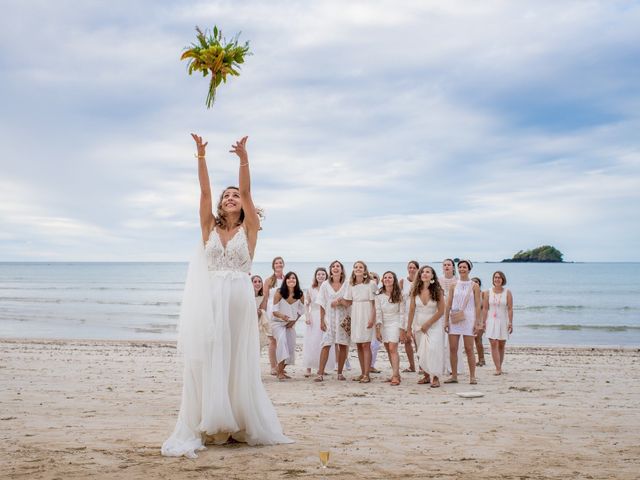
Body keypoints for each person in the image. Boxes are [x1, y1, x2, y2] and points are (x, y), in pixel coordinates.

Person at [161, 134, 291, 458]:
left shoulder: (250, 230)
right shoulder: (209, 228)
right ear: (221, 205)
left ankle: (237, 423)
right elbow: (204, 192)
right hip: (210, 301)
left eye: (235, 195)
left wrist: (243, 159)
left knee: (235, 358)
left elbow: (247, 191)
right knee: (212, 355)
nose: (232, 198)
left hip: (237, 301)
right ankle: (213, 423)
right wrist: (201, 157)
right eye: (227, 196)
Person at [444, 259, 482, 385]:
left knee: (469, 348)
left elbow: (478, 305)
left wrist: (478, 322)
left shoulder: (474, 286)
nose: (461, 269)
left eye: (464, 267)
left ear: (469, 269)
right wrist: (445, 321)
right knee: (453, 348)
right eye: (460, 267)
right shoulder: (454, 285)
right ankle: (454, 376)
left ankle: (472, 376)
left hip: (469, 319)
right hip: (454, 318)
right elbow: (448, 304)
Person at [407, 266, 445, 385]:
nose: (424, 274)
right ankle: (426, 375)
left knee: (434, 350)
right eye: (422, 272)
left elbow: (441, 311)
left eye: (428, 272)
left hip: (433, 325)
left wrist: (428, 324)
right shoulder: (415, 290)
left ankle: (436, 377)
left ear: (432, 276)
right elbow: (412, 310)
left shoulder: (438, 291)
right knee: (421, 351)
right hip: (418, 325)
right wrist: (408, 328)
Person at [314, 261, 351, 382]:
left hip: (343, 319)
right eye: (333, 266)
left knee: (343, 345)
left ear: (341, 270)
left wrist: (340, 302)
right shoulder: (325, 285)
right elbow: (322, 304)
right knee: (326, 345)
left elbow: (349, 302)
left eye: (338, 266)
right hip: (329, 319)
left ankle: (340, 373)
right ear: (330, 270)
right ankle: (320, 373)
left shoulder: (347, 284)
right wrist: (321, 321)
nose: (335, 268)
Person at [344, 261, 376, 383]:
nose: (358, 269)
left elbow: (374, 304)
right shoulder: (350, 284)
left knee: (366, 345)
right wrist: (337, 301)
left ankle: (367, 374)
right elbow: (348, 302)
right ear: (353, 270)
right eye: (356, 267)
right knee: (358, 344)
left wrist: (372, 319)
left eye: (360, 267)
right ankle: (363, 373)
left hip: (366, 313)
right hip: (356, 314)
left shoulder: (371, 284)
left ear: (364, 270)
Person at [272, 272, 304, 380]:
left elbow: (301, 310)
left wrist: (294, 321)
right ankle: (280, 373)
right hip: (278, 322)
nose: (291, 280)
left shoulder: (300, 294)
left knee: (290, 347)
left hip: (290, 324)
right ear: (285, 280)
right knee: (282, 342)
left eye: (293, 278)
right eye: (289, 278)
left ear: (296, 281)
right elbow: (274, 311)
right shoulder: (279, 292)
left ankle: (279, 369)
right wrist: (283, 317)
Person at [374, 271, 405, 385]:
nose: (387, 279)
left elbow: (402, 314)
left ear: (394, 280)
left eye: (390, 277)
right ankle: (395, 373)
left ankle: (396, 376)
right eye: (385, 277)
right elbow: (378, 313)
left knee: (393, 348)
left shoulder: (399, 294)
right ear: (382, 280)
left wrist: (402, 330)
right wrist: (378, 330)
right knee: (388, 349)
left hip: (395, 323)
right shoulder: (379, 295)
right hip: (383, 324)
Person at [483, 271, 513, 375]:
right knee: (493, 343)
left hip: (503, 320)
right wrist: (483, 322)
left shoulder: (507, 292)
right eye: (495, 277)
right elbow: (485, 308)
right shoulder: (488, 292)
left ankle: (499, 366)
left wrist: (510, 322)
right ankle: (498, 368)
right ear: (493, 279)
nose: (497, 279)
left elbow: (510, 309)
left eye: (499, 278)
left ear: (503, 279)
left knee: (501, 344)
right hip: (491, 320)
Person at [303, 268, 332, 377]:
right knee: (311, 342)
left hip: (326, 317)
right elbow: (306, 304)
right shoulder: (311, 288)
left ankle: (321, 368)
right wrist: (307, 317)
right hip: (314, 316)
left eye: (323, 274)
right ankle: (308, 368)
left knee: (323, 342)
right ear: (315, 276)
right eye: (318, 274)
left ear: (326, 276)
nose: (320, 276)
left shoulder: (328, 288)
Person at [261, 257, 285, 375]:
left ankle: (281, 365)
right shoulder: (269, 280)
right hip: (271, 310)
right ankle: (273, 366)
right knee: (273, 340)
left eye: (280, 263)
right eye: (276, 263)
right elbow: (265, 298)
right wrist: (263, 312)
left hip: (283, 310)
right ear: (273, 266)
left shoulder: (287, 279)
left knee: (282, 339)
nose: (278, 264)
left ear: (283, 265)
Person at [399, 261, 419, 373]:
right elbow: (396, 296)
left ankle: (422, 366)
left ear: (417, 269)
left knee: (418, 341)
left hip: (418, 313)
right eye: (410, 267)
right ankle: (412, 366)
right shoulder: (403, 281)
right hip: (405, 313)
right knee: (407, 340)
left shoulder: (420, 282)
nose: (411, 269)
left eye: (414, 267)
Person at [368, 272, 382, 374]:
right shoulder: (366, 290)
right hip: (367, 319)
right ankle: (367, 365)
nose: (373, 279)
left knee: (376, 345)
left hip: (378, 320)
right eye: (371, 278)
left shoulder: (380, 292)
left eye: (375, 278)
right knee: (368, 344)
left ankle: (372, 365)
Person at [471, 277, 487, 366]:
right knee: (471, 341)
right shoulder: (468, 295)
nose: (475, 283)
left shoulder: (483, 294)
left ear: (479, 284)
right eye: (473, 282)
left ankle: (482, 359)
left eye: (476, 282)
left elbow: (486, 308)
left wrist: (485, 321)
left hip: (480, 319)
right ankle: (477, 359)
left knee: (478, 339)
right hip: (470, 319)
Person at [252, 275, 271, 348]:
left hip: (258, 320)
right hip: (248, 321)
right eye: (255, 282)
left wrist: (260, 312)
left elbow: (263, 310)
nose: (257, 283)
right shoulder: (248, 295)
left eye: (259, 281)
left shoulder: (262, 296)